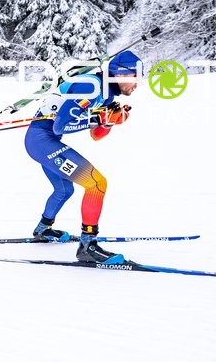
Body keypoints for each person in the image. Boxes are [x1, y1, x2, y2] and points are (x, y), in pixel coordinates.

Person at [23, 50, 143, 264]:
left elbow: (96, 135)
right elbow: (61, 125)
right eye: (136, 77)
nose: (138, 84)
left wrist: (109, 121)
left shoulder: (106, 94)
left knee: (64, 190)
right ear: (121, 73)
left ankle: (43, 229)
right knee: (96, 184)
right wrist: (98, 119)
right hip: (41, 140)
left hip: (45, 142)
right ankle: (88, 246)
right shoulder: (90, 86)